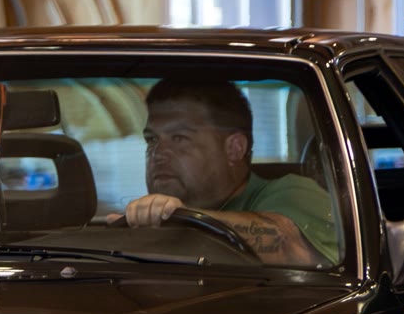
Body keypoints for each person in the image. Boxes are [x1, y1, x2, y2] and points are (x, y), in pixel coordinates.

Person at [121, 78, 339, 267]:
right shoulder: (147, 218)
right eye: (152, 139)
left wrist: (180, 219)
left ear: (234, 148)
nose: (158, 153)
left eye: (179, 138)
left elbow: (289, 245)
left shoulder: (295, 192)